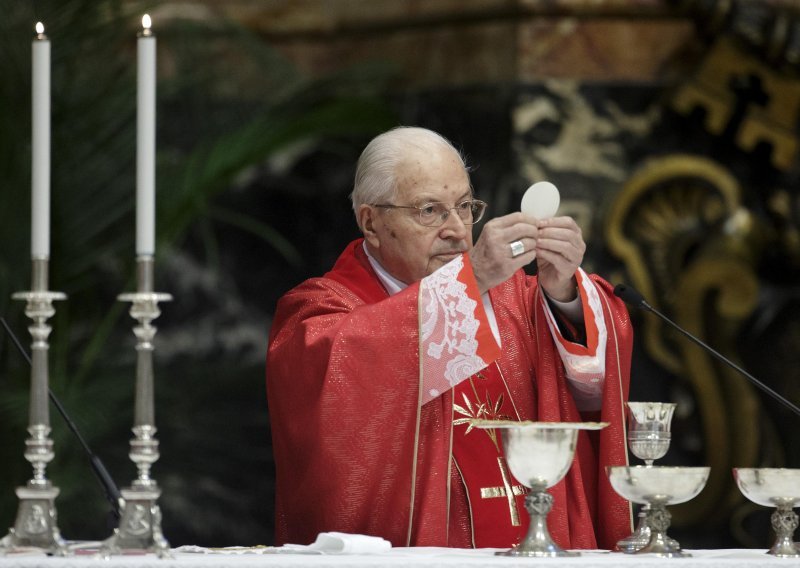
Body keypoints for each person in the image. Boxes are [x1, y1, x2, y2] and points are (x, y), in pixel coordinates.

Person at [266, 126, 633, 550]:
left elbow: (594, 389)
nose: (458, 230)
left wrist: (564, 292)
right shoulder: (317, 311)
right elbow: (337, 388)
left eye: (464, 207)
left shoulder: (520, 298)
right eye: (430, 210)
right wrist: (471, 278)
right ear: (371, 222)